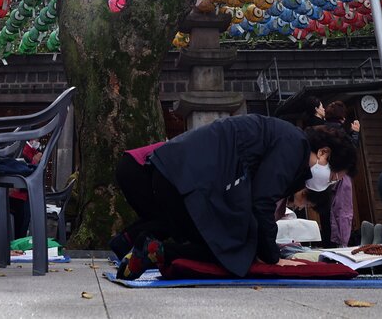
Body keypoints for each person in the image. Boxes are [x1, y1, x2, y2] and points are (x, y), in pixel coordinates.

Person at [113, 115, 358, 278]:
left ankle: (150, 248)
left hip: (173, 174)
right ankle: (157, 250)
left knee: (226, 245)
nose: (331, 182)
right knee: (236, 250)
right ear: (324, 153)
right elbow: (261, 201)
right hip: (187, 180)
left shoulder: (287, 140)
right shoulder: (294, 145)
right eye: (335, 176)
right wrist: (272, 258)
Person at [323, 101, 360, 247]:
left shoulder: (322, 131)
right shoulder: (340, 132)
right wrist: (355, 133)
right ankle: (342, 244)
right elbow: (351, 151)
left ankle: (329, 242)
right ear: (342, 117)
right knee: (343, 209)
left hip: (325, 175)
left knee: (328, 209)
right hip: (341, 174)